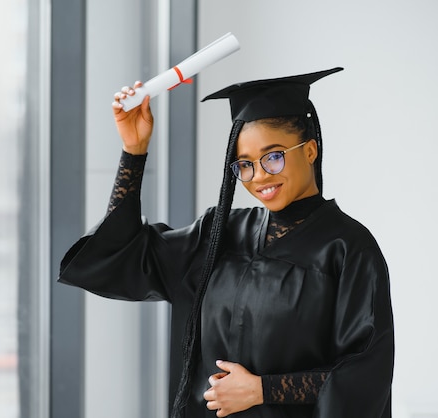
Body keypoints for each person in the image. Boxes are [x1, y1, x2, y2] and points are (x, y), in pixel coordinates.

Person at [58, 67, 394, 418]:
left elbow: (365, 376)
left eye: (273, 156)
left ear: (310, 150)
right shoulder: (219, 234)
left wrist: (261, 390)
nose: (260, 175)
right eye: (244, 164)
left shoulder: (348, 248)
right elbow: (121, 254)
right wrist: (134, 150)